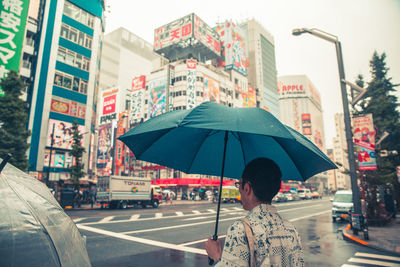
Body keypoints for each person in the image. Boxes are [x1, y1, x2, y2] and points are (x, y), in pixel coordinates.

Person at [205, 157, 304, 266]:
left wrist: (217, 257)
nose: (239, 189)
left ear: (247, 188)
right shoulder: (291, 229)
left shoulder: (240, 229)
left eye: (239, 184)